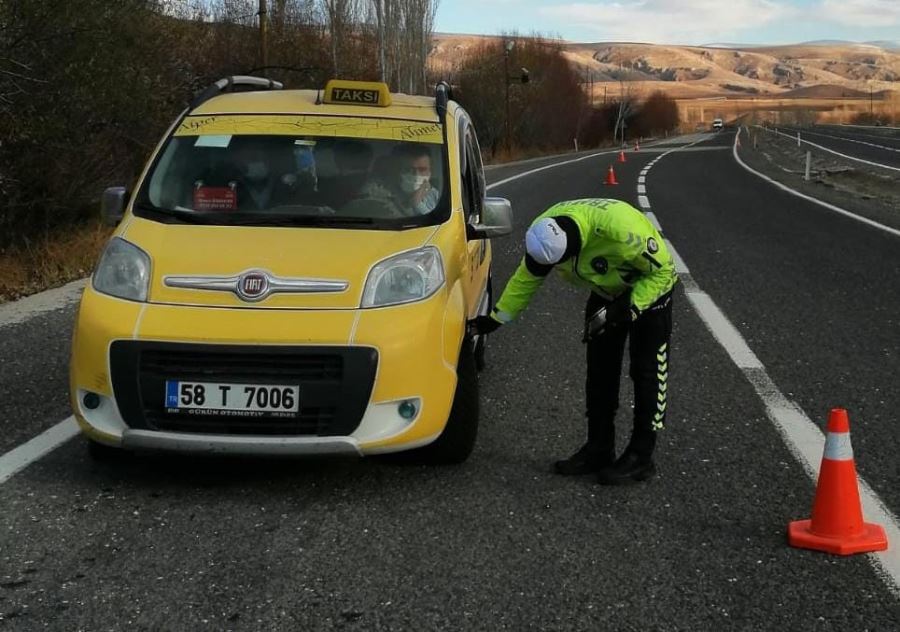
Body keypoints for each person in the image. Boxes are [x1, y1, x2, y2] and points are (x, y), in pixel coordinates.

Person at [468, 198, 677, 485]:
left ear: (575, 249)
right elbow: (527, 278)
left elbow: (665, 271)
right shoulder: (545, 231)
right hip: (605, 292)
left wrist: (629, 307)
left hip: (650, 293)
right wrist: (495, 319)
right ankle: (599, 448)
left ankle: (642, 456)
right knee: (600, 371)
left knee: (646, 372)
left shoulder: (621, 232)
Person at [359, 144, 440, 216]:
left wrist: (417, 203)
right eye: (408, 169)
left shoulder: (434, 195)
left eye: (422, 170)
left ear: (430, 171)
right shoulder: (375, 193)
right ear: (395, 170)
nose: (416, 175)